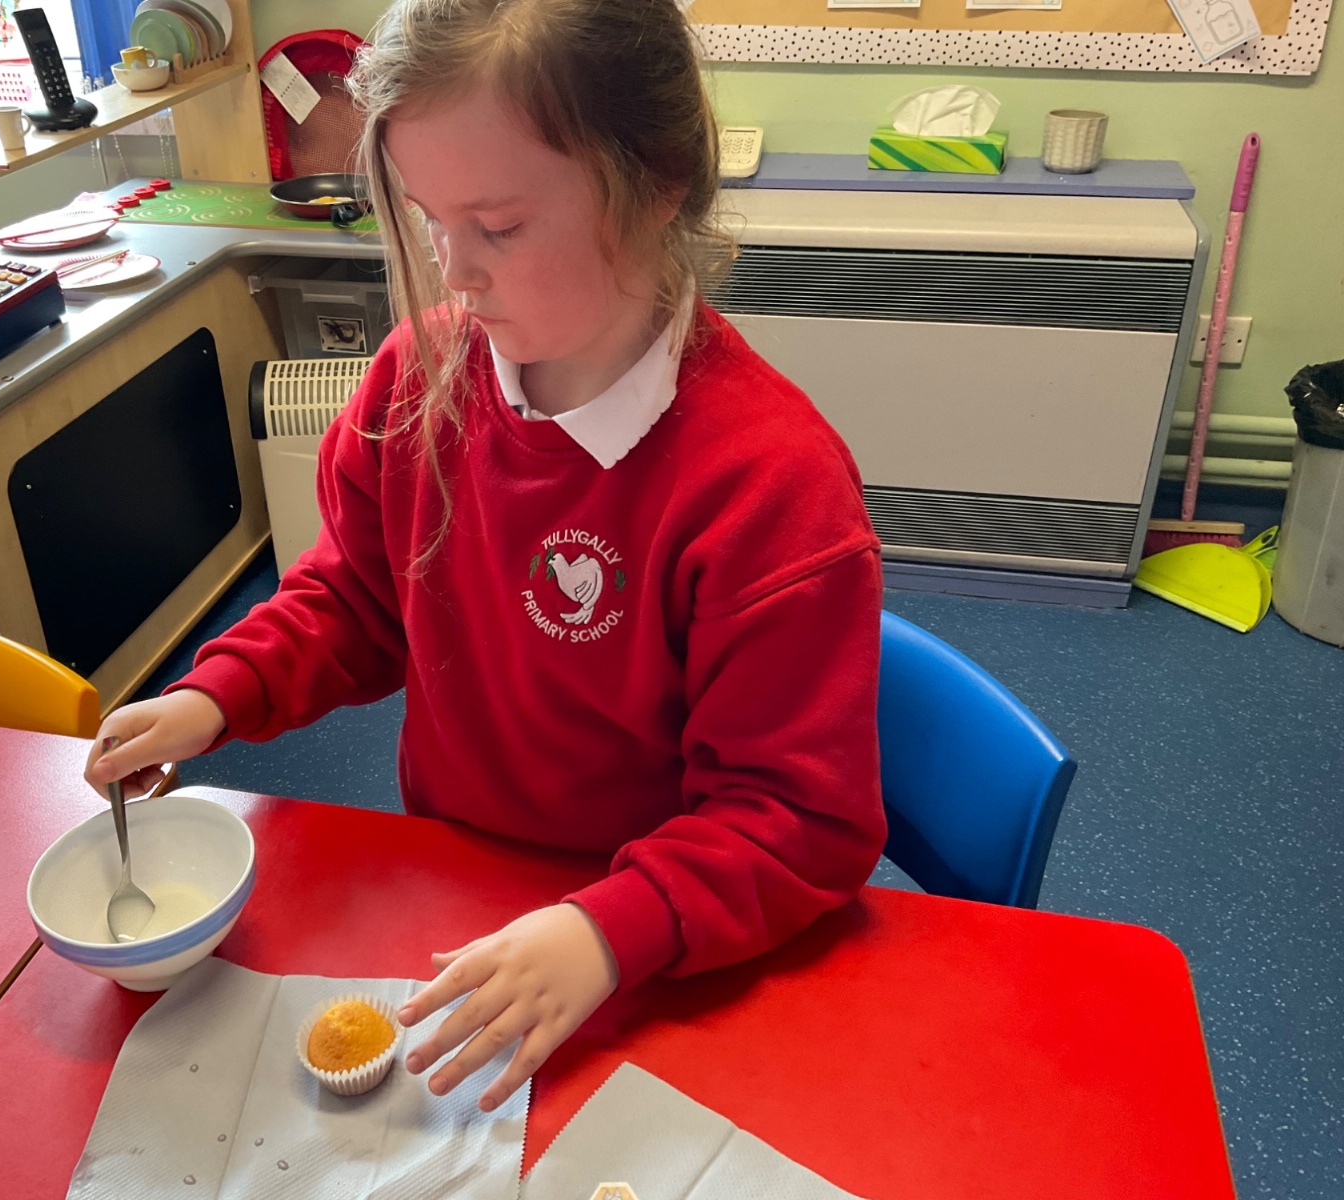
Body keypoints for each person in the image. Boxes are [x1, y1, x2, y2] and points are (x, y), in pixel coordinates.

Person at [86, 0, 885, 1114]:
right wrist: (220, 691)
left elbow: (797, 819)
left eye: (499, 227)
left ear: (657, 184)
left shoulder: (769, 488)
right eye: (427, 219)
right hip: (458, 886)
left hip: (654, 941)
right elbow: (356, 598)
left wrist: (607, 931)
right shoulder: (418, 376)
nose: (455, 272)